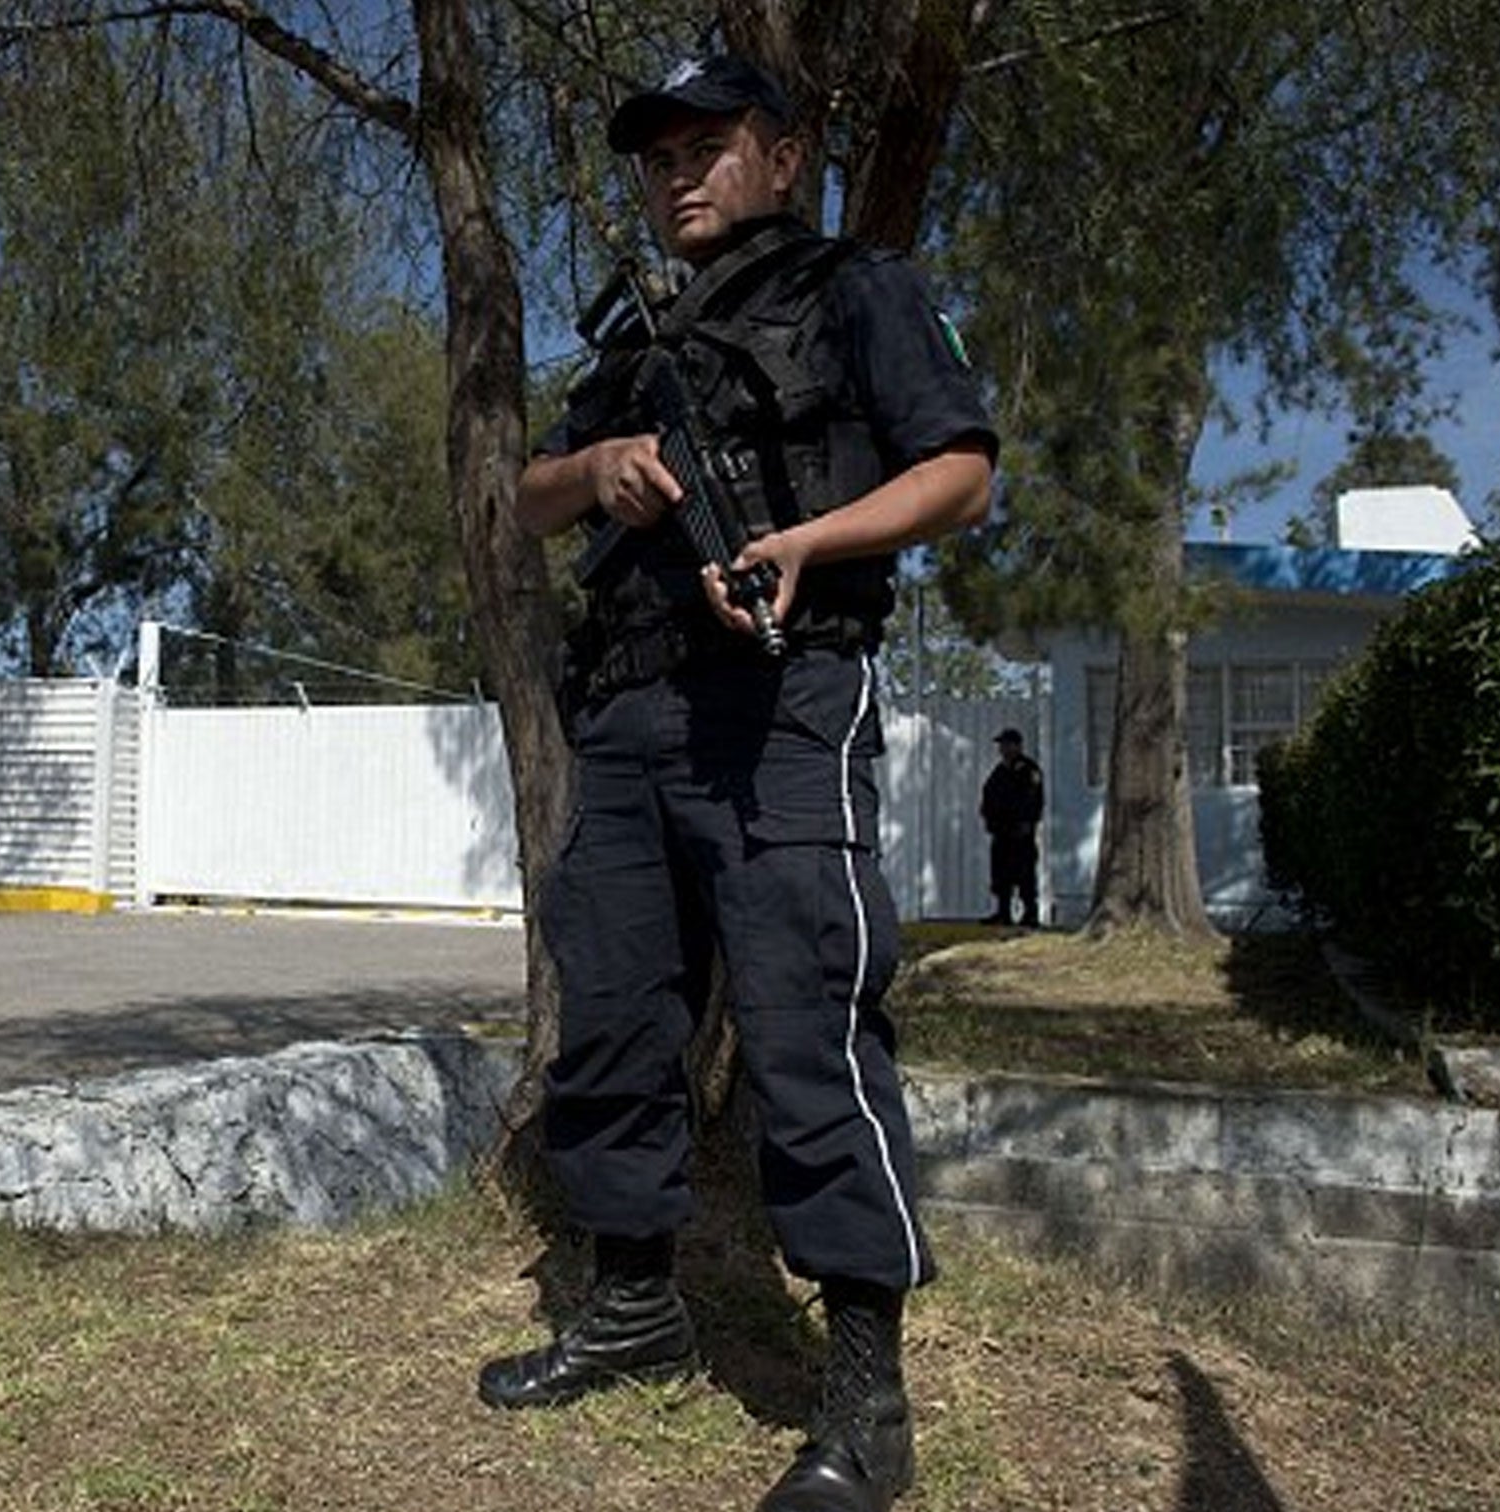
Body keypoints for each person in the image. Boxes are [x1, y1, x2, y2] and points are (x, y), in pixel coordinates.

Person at [476, 54, 997, 1512]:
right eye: (660, 159)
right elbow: (526, 494)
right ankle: (635, 1307)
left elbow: (961, 472)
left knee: (803, 1023)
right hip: (630, 712)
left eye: (712, 147)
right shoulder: (636, 349)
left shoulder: (858, 288)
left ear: (783, 154)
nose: (681, 175)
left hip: (784, 698)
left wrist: (810, 543)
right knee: (618, 1022)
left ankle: (864, 1396)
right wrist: (610, 469)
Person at [979, 728, 1044, 927]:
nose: (1003, 749)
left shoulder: (1029, 769)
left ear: (1017, 745)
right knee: (1001, 873)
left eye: (1007, 744)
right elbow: (988, 794)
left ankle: (1030, 914)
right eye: (1001, 745)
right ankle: (1003, 912)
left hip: (1020, 831)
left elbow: (1034, 799)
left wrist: (1027, 822)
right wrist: (987, 816)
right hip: (1001, 831)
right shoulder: (1000, 770)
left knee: (1024, 873)